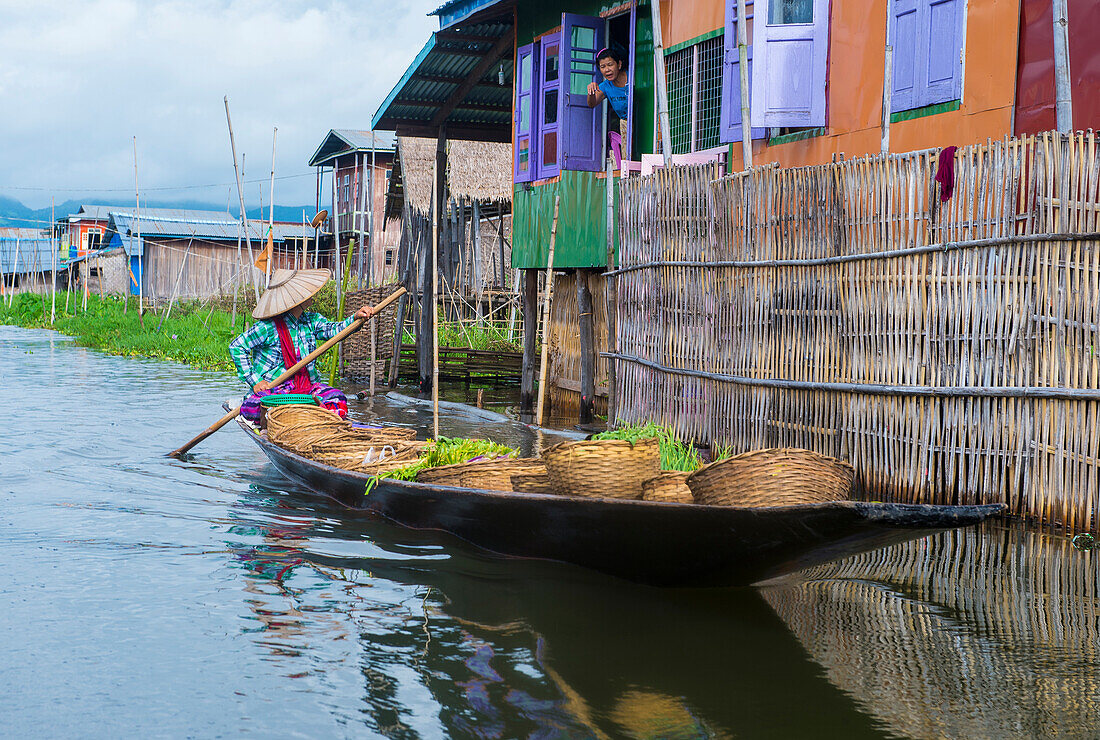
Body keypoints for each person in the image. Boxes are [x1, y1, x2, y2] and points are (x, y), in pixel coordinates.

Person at [229, 268, 375, 422]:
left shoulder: (311, 321)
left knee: (337, 398)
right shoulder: (267, 327)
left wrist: (356, 318)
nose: (311, 294)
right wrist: (256, 381)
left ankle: (309, 420)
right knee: (253, 408)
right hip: (276, 390)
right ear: (296, 300)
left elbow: (335, 330)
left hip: (306, 388)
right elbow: (237, 347)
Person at [586, 47, 630, 168]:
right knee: (628, 160)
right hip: (625, 124)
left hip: (641, 121)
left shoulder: (632, 76)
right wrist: (591, 92)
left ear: (619, 64)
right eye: (603, 66)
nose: (607, 70)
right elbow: (592, 103)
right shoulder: (605, 85)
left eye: (610, 65)